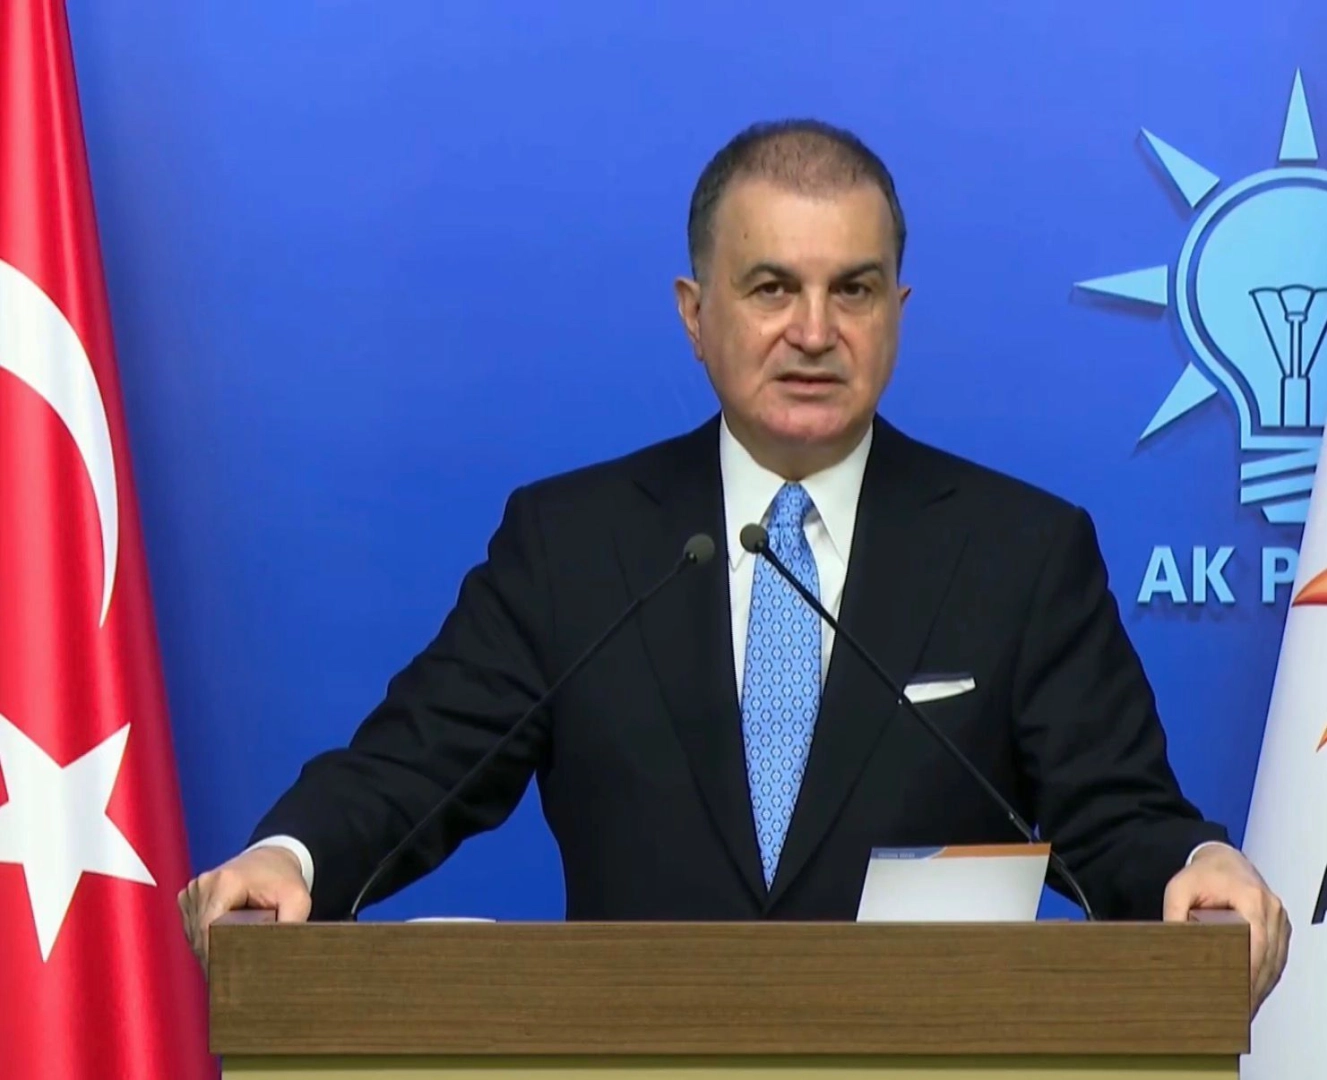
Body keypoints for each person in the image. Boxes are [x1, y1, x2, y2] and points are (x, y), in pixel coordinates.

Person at [179, 119, 1289, 1013]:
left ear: (896, 315)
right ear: (694, 314)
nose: (813, 330)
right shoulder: (574, 544)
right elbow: (416, 767)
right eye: (770, 288)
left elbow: (1114, 814)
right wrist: (294, 858)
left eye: (853, 289)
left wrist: (1192, 867)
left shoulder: (1020, 552)